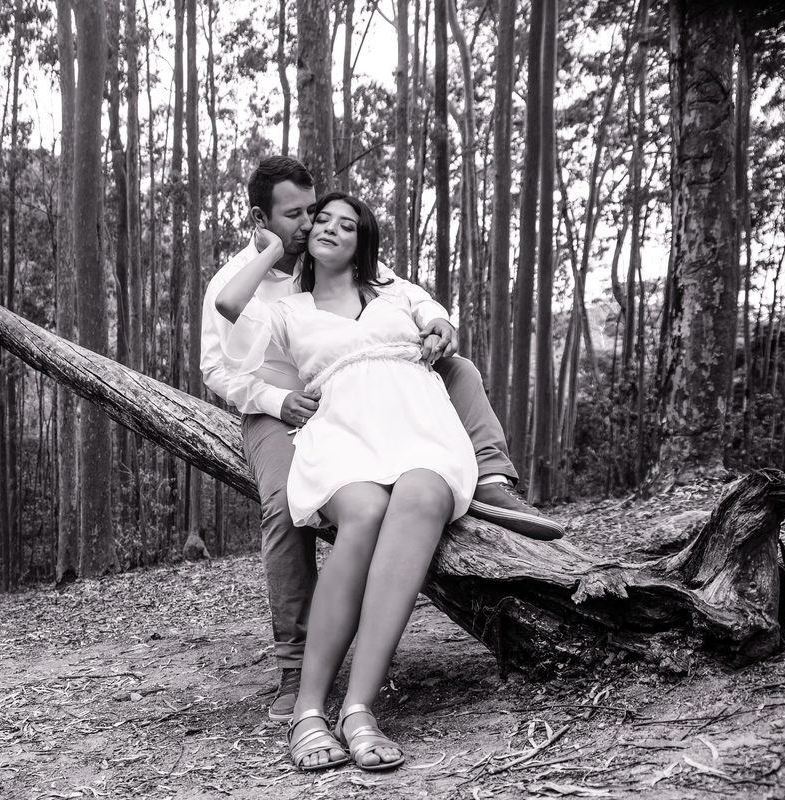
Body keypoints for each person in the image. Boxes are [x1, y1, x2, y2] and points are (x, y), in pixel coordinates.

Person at [198, 156, 563, 726]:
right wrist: (277, 402)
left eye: (314, 209)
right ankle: (298, 671)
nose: (310, 222)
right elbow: (219, 370)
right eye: (295, 215)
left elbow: (408, 298)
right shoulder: (242, 283)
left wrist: (441, 322)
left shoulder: (345, 259)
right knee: (284, 507)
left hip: (370, 391)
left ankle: (492, 483)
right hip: (278, 402)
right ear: (260, 217)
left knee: (460, 369)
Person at [215, 191, 478, 771]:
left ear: (363, 244)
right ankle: (309, 711)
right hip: (341, 435)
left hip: (418, 425)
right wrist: (272, 249)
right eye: (321, 222)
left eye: (348, 226)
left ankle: (359, 707)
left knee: (423, 494)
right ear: (305, 238)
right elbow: (230, 303)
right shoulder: (287, 309)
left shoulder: (394, 292)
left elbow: (436, 314)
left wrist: (438, 325)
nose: (331, 229)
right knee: (362, 514)